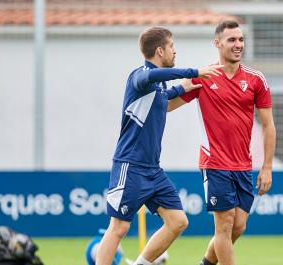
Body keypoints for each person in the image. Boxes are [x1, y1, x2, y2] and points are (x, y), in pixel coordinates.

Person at [96, 26, 223, 265]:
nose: (175, 51)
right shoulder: (140, 76)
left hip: (152, 170)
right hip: (130, 165)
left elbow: (161, 101)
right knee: (119, 227)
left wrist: (183, 88)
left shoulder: (158, 87)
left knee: (178, 221)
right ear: (160, 50)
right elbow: (151, 77)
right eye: (172, 47)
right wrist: (194, 71)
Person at [168, 20, 276, 265]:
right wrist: (174, 87)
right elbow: (165, 107)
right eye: (232, 40)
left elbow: (269, 126)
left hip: (243, 165)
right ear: (217, 43)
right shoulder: (203, 77)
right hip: (214, 162)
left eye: (241, 40)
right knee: (225, 224)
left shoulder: (256, 79)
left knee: (238, 226)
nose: (238, 45)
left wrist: (267, 167)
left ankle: (205, 263)